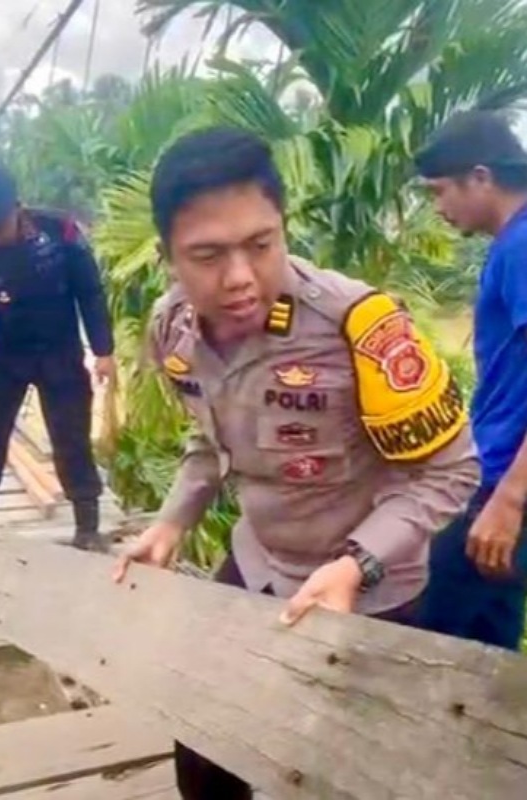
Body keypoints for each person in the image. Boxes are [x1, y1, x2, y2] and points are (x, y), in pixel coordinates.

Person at [112, 126, 479, 800]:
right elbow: (207, 443)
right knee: (204, 742)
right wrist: (170, 524)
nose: (240, 278)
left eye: (261, 244)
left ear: (282, 226)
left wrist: (354, 566)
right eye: (207, 255)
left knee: (349, 774)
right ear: (167, 257)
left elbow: (448, 473)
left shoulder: (361, 327)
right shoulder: (175, 330)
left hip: (373, 590)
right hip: (260, 565)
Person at [0, 164, 116, 550]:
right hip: (3, 358)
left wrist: (104, 349)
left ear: (17, 207)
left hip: (60, 351)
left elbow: (89, 291)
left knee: (71, 436)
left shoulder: (62, 232)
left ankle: (87, 526)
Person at [414, 110, 527, 651]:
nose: (439, 208)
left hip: (509, 480)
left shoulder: (524, 247)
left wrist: (510, 500)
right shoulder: (510, 245)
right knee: (487, 643)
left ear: (480, 177)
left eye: (440, 192)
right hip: (496, 471)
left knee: (432, 633)